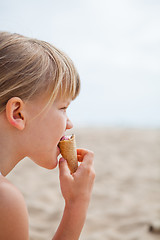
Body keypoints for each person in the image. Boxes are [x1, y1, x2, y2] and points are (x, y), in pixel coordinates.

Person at [0, 32, 95, 240]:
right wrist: (77, 204)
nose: (69, 123)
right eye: (63, 108)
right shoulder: (4, 200)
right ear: (18, 113)